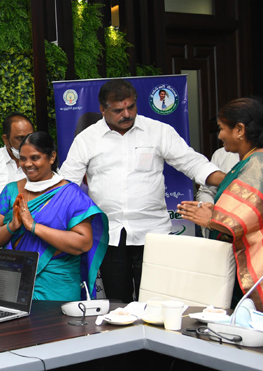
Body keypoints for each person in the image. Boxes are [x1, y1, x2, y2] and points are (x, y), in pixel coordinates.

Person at [60, 79, 225, 303]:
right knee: (118, 306)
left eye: (131, 107)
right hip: (110, 234)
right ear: (103, 109)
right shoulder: (87, 139)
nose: (127, 114)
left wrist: (232, 181)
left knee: (156, 303)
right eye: (118, 110)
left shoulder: (158, 131)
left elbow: (193, 163)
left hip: (154, 232)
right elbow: (68, 183)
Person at [0, 132, 108, 300]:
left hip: (57, 286)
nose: (27, 164)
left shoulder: (71, 195)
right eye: (23, 158)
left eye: (35, 158)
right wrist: (12, 226)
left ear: (52, 157)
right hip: (14, 282)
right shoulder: (11, 190)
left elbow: (83, 243)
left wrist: (34, 227)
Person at [178, 97, 263, 312]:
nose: (219, 135)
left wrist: (211, 220)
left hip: (258, 263)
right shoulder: (250, 160)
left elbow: (245, 217)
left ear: (240, 130)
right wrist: (215, 210)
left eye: (221, 128)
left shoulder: (260, 163)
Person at [0, 113, 35, 212]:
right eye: (20, 138)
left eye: (30, 137)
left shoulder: (41, 162)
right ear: (5, 139)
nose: (26, 143)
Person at [194, 147, 239, 236]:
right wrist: (212, 213)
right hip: (220, 231)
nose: (220, 138)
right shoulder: (222, 154)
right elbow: (206, 191)